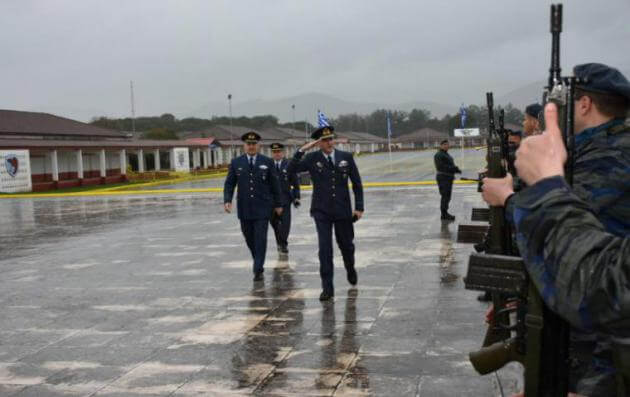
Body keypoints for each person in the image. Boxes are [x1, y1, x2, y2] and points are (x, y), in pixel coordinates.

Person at [481, 63, 630, 396]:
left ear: (585, 104)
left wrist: (508, 201)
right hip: (583, 314)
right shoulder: (592, 150)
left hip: (597, 336)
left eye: (565, 102)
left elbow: (564, 223)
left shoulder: (610, 156)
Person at [287, 126, 364, 301]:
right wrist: (301, 150)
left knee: (346, 245)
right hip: (321, 211)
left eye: (331, 139)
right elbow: (290, 170)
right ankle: (327, 287)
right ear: (318, 143)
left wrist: (359, 207)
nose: (329, 143)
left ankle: (350, 268)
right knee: (325, 249)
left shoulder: (346, 158)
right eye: (325, 140)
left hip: (343, 210)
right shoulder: (311, 158)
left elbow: (357, 184)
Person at [224, 132, 284, 281]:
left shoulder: (267, 162)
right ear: (244, 146)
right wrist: (227, 200)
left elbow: (275, 185)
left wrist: (278, 204)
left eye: (254, 144)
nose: (251, 146)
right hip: (244, 208)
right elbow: (230, 183)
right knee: (249, 238)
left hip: (263, 208)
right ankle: (258, 259)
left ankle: (258, 268)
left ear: (258, 146)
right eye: (248, 144)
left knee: (260, 238)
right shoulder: (236, 162)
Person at [269, 142, 300, 254]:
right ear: (272, 153)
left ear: (283, 152)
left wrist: (296, 197)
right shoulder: (268, 165)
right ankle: (280, 242)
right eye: (274, 152)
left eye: (279, 151)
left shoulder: (289, 165)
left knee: (285, 224)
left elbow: (295, 183)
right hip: (271, 201)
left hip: (285, 199)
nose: (277, 154)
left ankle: (283, 244)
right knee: (274, 224)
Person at [434, 139, 462, 220]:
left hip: (448, 177)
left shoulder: (445, 154)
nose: (447, 146)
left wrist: (455, 169)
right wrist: (454, 169)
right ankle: (444, 214)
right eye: (445, 144)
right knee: (445, 196)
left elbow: (449, 164)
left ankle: (445, 213)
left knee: (447, 196)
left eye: (447, 144)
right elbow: (441, 167)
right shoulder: (439, 155)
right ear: (441, 145)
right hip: (443, 178)